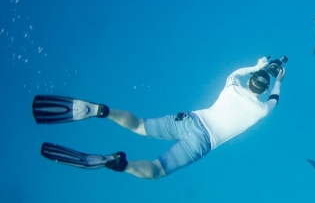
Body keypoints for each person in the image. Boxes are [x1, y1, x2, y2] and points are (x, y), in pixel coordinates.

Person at [33, 57, 286, 180]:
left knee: (139, 125)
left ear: (250, 80)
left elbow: (238, 72)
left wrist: (257, 65)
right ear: (262, 91)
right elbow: (275, 98)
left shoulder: (232, 84)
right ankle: (117, 163)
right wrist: (279, 80)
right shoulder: (262, 110)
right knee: (155, 171)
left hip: (188, 119)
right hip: (201, 143)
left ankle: (102, 111)